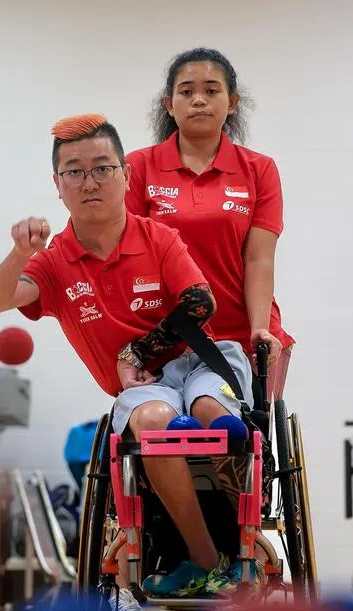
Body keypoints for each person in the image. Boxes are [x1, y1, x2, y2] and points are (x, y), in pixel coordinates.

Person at [0, 113, 257, 611]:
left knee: (209, 406)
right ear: (58, 184)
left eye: (102, 167)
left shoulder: (159, 237)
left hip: (203, 361)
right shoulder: (55, 261)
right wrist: (19, 253)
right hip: (147, 388)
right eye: (75, 171)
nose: (90, 181)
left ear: (126, 175)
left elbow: (200, 303)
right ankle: (205, 557)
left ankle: (236, 520)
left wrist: (137, 348)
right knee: (151, 421)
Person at [125, 47, 295, 402]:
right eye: (186, 91)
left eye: (211, 90)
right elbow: (129, 260)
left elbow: (259, 259)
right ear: (169, 104)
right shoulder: (138, 167)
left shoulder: (259, 169)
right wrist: (139, 344)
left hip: (244, 335)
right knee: (164, 431)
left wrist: (260, 331)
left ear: (231, 102)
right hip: (169, 339)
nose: (199, 100)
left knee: (239, 433)